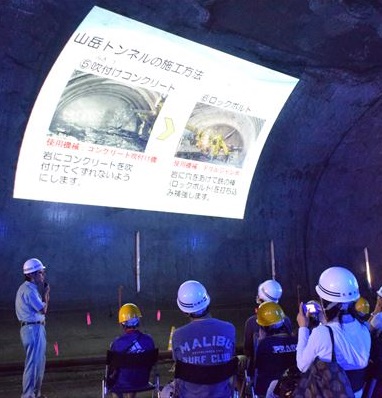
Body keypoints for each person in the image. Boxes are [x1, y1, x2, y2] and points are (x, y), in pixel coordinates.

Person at [296, 266, 371, 398]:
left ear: (325, 301)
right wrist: (324, 320)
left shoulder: (322, 333)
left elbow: (302, 366)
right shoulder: (364, 329)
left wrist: (303, 327)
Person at [171, 280, 236, 398]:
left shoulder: (178, 335)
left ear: (184, 310)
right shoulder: (229, 329)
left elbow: (178, 365)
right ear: (207, 301)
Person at [15, 258, 50, 398]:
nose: (43, 275)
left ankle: (35, 394)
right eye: (40, 272)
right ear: (31, 274)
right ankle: (29, 395)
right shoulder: (29, 290)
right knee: (33, 365)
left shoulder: (29, 289)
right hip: (33, 329)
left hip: (33, 329)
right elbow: (43, 310)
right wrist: (47, 294)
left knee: (38, 363)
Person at [108, 303, 156, 398]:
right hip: (143, 381)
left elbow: (112, 366)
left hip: (123, 382)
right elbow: (151, 365)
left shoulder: (117, 343)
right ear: (138, 321)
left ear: (122, 323)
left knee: (115, 380)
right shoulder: (149, 340)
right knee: (134, 373)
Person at [251, 301, 297, 397]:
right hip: (293, 390)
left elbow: (256, 369)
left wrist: (260, 342)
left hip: (269, 391)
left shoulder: (264, 344)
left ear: (263, 327)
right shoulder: (297, 340)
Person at [243, 279, 287, 376]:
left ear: (260, 299)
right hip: (284, 372)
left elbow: (248, 351)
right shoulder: (286, 320)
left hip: (261, 374)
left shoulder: (252, 322)